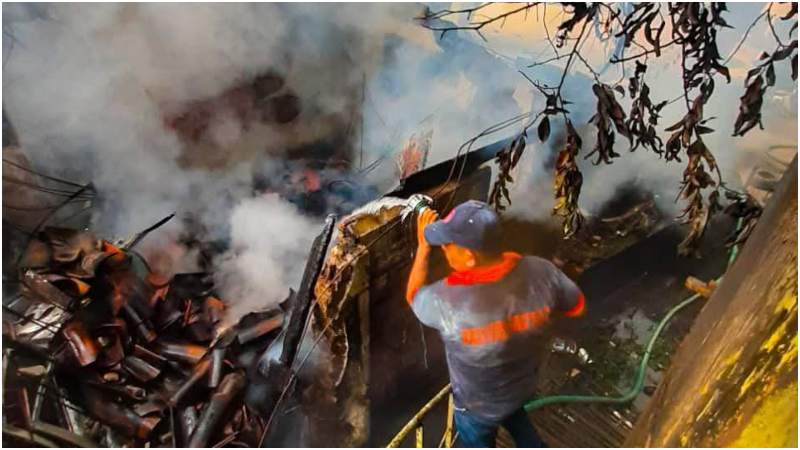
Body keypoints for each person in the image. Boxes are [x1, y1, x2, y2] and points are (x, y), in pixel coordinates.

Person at [405, 200, 585, 448]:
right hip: (520, 387)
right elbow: (576, 305)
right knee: (519, 423)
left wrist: (423, 248)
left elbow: (413, 295)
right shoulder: (542, 271)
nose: (443, 250)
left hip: (476, 406)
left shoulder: (448, 302)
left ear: (469, 257)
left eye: (447, 245)